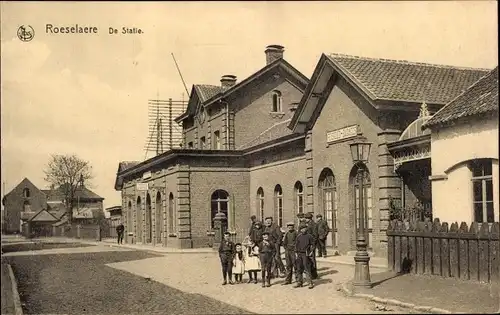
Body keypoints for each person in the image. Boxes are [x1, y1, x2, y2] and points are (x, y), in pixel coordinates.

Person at [295, 223, 315, 289]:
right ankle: (299, 282)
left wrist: (311, 252)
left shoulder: (309, 236)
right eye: (301, 229)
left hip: (306, 254)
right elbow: (296, 245)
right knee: (299, 268)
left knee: (307, 268)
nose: (303, 230)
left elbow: (313, 245)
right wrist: (296, 253)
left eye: (304, 228)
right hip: (299, 254)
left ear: (306, 229)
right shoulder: (298, 236)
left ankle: (310, 283)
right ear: (300, 230)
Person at [305, 212, 319, 279]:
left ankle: (314, 274)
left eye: (306, 218)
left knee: (312, 259)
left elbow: (315, 235)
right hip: (308, 244)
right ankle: (311, 273)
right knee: (309, 258)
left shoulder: (313, 225)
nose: (305, 219)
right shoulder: (308, 224)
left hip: (311, 244)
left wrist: (312, 244)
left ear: (309, 218)